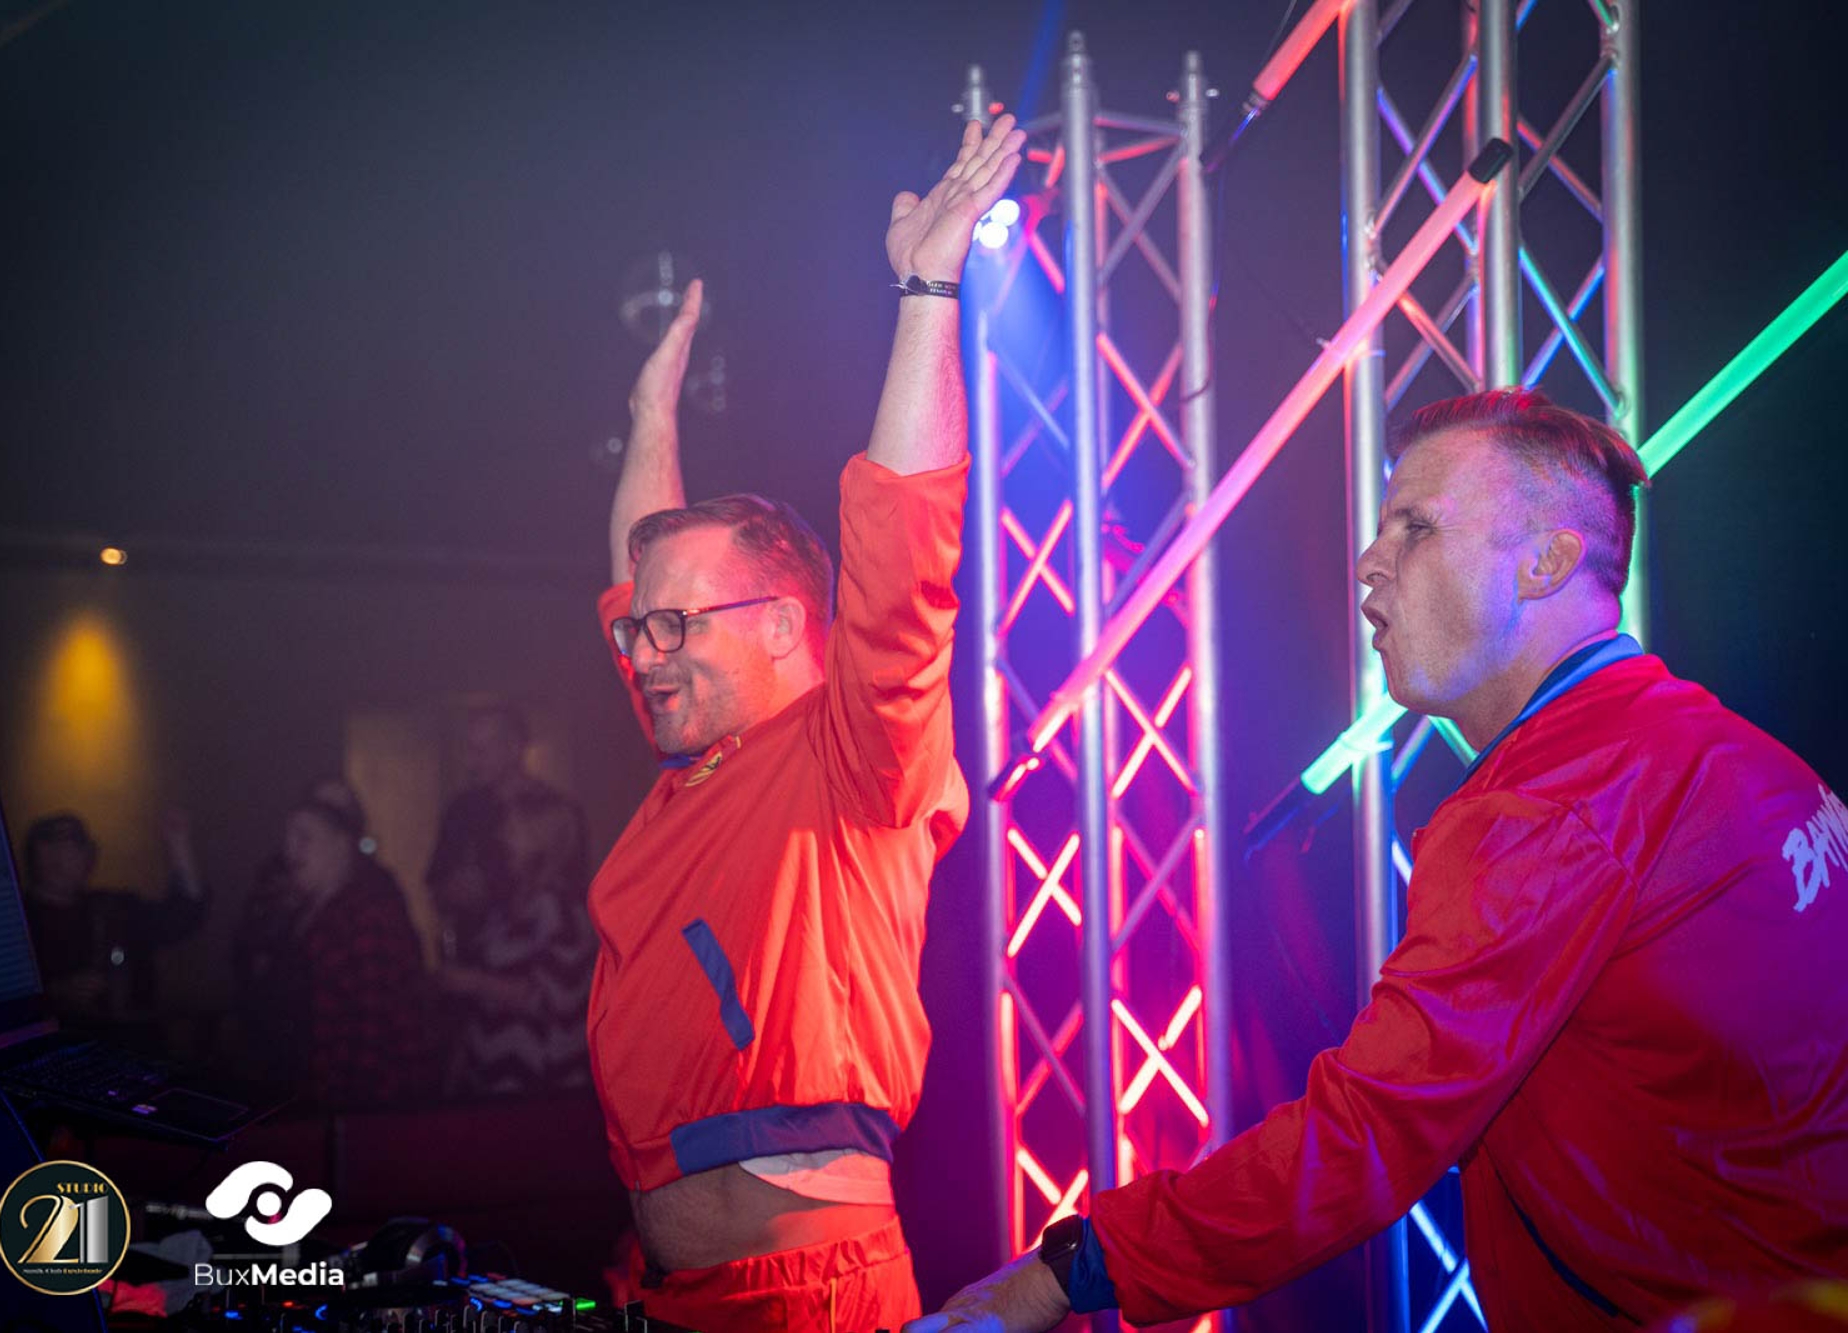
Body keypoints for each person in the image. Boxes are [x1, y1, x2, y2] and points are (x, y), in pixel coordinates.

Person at [907, 389, 1848, 1331]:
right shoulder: (1729, 752)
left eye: (1417, 527)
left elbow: (1366, 1134)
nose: (1368, 560)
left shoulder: (1551, 804)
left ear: (1547, 562)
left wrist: (1062, 1272)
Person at [586, 114, 1024, 1331]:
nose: (643, 653)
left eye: (675, 628)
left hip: (803, 1298)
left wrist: (925, 292)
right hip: (674, 1293)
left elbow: (903, 544)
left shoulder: (851, 753)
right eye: (639, 633)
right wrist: (651, 419)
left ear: (784, 623)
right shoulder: (696, 767)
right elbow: (635, 581)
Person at [426, 704, 595, 1097]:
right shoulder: (463, 810)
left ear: (515, 746)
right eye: (469, 748)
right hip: (482, 975)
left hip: (536, 1056)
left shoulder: (556, 815)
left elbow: (548, 994)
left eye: (484, 748)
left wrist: (473, 982)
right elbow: (438, 886)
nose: (473, 760)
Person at [232, 787, 438, 1110]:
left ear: (341, 845)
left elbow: (371, 1032)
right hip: (298, 1098)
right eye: (287, 839)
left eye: (304, 838)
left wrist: (339, 1112)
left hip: (358, 1110)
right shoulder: (299, 912)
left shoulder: (365, 917)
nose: (290, 851)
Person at [21, 808, 207, 1028]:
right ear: (33, 855)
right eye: (50, 844)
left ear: (88, 856)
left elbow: (181, 916)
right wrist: (54, 992)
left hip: (129, 1041)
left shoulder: (115, 908)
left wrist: (178, 843)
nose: (61, 855)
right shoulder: (13, 922)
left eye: (72, 846)